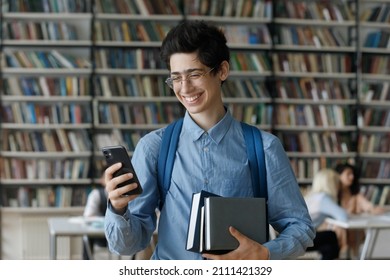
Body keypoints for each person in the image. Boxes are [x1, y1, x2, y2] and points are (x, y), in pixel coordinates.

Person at [103, 20, 315, 260]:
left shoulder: (265, 148)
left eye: (194, 74)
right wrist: (118, 209)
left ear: (222, 71)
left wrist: (265, 253)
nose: (185, 88)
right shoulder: (154, 147)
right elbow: (128, 245)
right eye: (176, 78)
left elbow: (301, 227)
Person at [334, 162, 386, 258]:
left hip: (353, 231)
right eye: (348, 174)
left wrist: (373, 209)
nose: (352, 177)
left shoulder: (356, 196)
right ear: (338, 176)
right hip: (336, 232)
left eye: (353, 174)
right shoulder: (333, 195)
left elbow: (368, 206)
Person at [304, 168, 349, 259]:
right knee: (331, 235)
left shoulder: (312, 196)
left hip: (292, 236)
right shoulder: (323, 198)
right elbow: (343, 216)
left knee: (329, 246)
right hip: (300, 240)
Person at [82, 173, 108, 260]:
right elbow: (88, 216)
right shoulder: (96, 194)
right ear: (102, 180)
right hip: (100, 235)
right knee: (87, 236)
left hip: (120, 234)